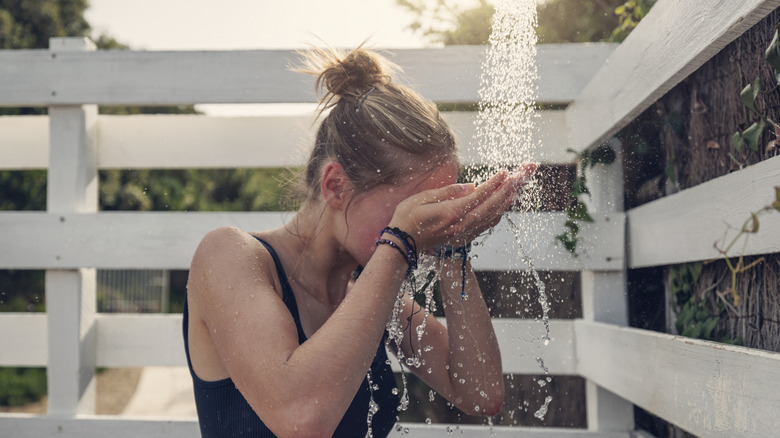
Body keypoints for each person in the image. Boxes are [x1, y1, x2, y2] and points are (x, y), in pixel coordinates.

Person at [183, 45, 537, 437]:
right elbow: (301, 419)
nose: (425, 230)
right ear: (335, 186)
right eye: (412, 210)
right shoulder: (230, 256)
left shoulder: (369, 290)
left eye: (435, 209)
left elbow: (481, 393)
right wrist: (400, 238)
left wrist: (454, 247)